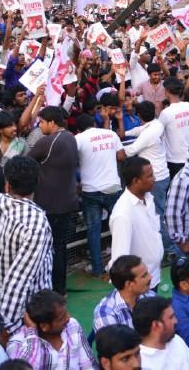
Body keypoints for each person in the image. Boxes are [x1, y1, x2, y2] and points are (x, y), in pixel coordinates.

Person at [0, 156, 54, 335]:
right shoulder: (36, 222)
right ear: (37, 183)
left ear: (7, 184)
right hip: (28, 310)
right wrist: (12, 327)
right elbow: (18, 281)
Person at [28, 106, 80, 294]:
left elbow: (24, 163)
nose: (39, 126)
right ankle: (60, 288)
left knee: (50, 251)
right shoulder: (70, 138)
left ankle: (54, 290)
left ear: (51, 122)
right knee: (59, 248)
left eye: (41, 122)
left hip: (50, 205)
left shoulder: (48, 141)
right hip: (66, 202)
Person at [122, 101, 175, 259]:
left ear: (139, 116)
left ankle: (170, 250)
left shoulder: (150, 132)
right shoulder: (156, 124)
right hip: (161, 175)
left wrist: (116, 148)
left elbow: (131, 150)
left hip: (155, 179)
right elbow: (140, 130)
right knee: (158, 213)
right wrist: (125, 133)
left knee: (157, 215)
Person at [75, 113, 125, 278]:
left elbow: (72, 161)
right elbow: (121, 156)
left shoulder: (79, 139)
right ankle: (124, 265)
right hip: (112, 187)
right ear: (93, 123)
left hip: (90, 191)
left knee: (93, 231)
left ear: (79, 128)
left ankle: (97, 269)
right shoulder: (111, 134)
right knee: (120, 227)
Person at [5, 289, 97, 370]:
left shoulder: (72, 325)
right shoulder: (17, 344)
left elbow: (88, 365)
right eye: (62, 317)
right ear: (45, 326)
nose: (68, 318)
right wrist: (32, 332)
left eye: (66, 312)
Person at [108, 156, 163, 290]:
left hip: (152, 278)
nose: (154, 179)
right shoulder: (123, 214)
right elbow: (120, 261)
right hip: (139, 287)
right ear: (136, 181)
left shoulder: (148, 198)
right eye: (150, 176)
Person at [94, 255, 156, 332]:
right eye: (144, 276)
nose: (150, 277)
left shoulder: (150, 296)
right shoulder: (106, 313)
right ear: (129, 284)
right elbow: (115, 343)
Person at [132, 296, 189, 370]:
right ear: (156, 325)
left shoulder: (176, 340)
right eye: (171, 317)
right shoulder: (141, 362)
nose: (176, 321)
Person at [159, 78, 189, 179]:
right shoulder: (188, 106)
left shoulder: (166, 112)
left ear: (167, 91)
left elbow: (157, 132)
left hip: (173, 159)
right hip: (188, 156)